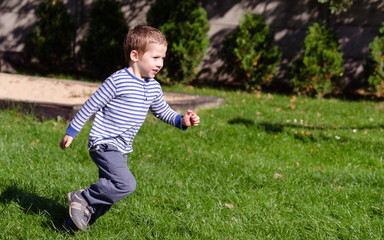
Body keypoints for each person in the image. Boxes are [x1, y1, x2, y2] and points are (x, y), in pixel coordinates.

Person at [60, 25, 200, 231]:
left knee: (109, 194)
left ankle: (73, 224)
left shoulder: (153, 86)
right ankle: (82, 197)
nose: (160, 64)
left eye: (162, 58)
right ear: (135, 55)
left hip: (122, 148)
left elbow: (162, 111)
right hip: (104, 143)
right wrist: (72, 131)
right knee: (125, 184)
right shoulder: (118, 81)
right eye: (155, 58)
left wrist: (182, 121)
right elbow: (92, 105)